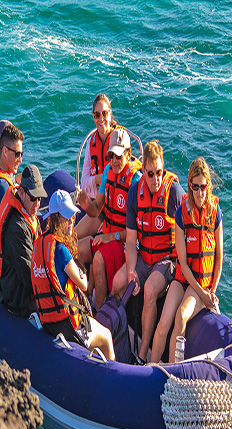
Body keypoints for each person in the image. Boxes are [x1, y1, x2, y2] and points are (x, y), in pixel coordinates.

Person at [112, 140, 185, 364]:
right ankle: (115, 337)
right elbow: (131, 241)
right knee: (118, 281)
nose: (156, 179)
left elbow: (187, 231)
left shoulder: (173, 191)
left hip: (166, 260)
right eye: (151, 173)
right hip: (143, 256)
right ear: (143, 171)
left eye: (159, 172)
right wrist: (132, 270)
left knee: (150, 290)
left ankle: (142, 356)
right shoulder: (135, 193)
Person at [151, 157, 223, 363]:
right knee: (164, 322)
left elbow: (219, 257)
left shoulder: (215, 213)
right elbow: (182, 261)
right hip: (185, 279)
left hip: (201, 284)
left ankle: (174, 370)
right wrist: (202, 293)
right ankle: (150, 366)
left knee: (181, 317)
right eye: (195, 187)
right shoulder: (182, 213)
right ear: (189, 185)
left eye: (203, 187)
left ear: (208, 186)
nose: (200, 193)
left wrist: (211, 292)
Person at [31, 190, 115, 361]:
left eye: (72, 217)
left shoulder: (40, 243)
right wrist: (83, 276)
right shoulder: (61, 251)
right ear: (55, 219)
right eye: (66, 217)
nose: (71, 222)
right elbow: (83, 285)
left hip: (48, 320)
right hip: (68, 325)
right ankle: (112, 378)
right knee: (106, 336)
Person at [77, 128, 142, 310]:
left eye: (119, 156)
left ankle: (100, 314)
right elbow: (97, 208)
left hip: (123, 241)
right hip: (107, 235)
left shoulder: (135, 181)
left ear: (128, 154)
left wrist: (109, 237)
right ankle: (83, 300)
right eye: (111, 155)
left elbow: (136, 233)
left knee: (98, 259)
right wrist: (86, 206)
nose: (114, 160)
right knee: (77, 250)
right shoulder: (108, 171)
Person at [0, 165, 47, 316]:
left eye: (39, 198)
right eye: (33, 197)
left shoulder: (28, 211)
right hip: (18, 299)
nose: (37, 203)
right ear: (21, 192)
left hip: (26, 284)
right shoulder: (17, 228)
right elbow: (29, 276)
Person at [75, 93, 118, 239]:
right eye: (96, 115)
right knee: (72, 238)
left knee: (89, 247)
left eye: (104, 113)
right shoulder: (91, 143)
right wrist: (99, 179)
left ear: (110, 114)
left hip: (114, 212)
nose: (101, 119)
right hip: (98, 208)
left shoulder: (119, 140)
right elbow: (84, 183)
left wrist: (96, 180)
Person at [0, 122, 24, 201]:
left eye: (21, 154)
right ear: (5, 151)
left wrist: (15, 180)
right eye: (17, 154)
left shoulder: (6, 179)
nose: (20, 160)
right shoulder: (3, 188)